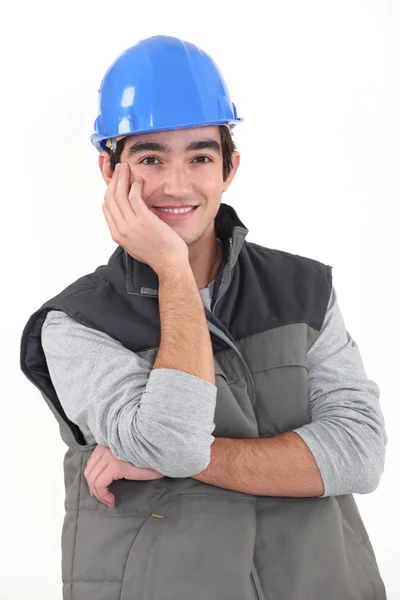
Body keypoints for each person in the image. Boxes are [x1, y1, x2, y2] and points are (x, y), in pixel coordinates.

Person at [20, 34, 388, 600]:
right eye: (149, 158)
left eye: (200, 157)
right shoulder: (76, 324)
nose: (176, 184)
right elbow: (173, 442)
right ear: (108, 169)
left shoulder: (304, 290)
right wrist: (172, 268)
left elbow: (360, 455)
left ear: (229, 167)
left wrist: (190, 457)